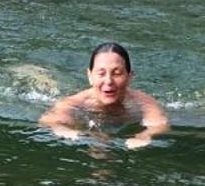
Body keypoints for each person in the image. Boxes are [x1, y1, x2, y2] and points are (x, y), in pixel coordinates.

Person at [39, 41, 171, 149]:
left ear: (129, 77)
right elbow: (49, 120)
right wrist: (67, 131)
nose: (108, 81)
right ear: (90, 76)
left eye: (117, 73)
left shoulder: (142, 102)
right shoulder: (76, 102)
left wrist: (144, 135)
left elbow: (160, 124)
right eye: (101, 74)